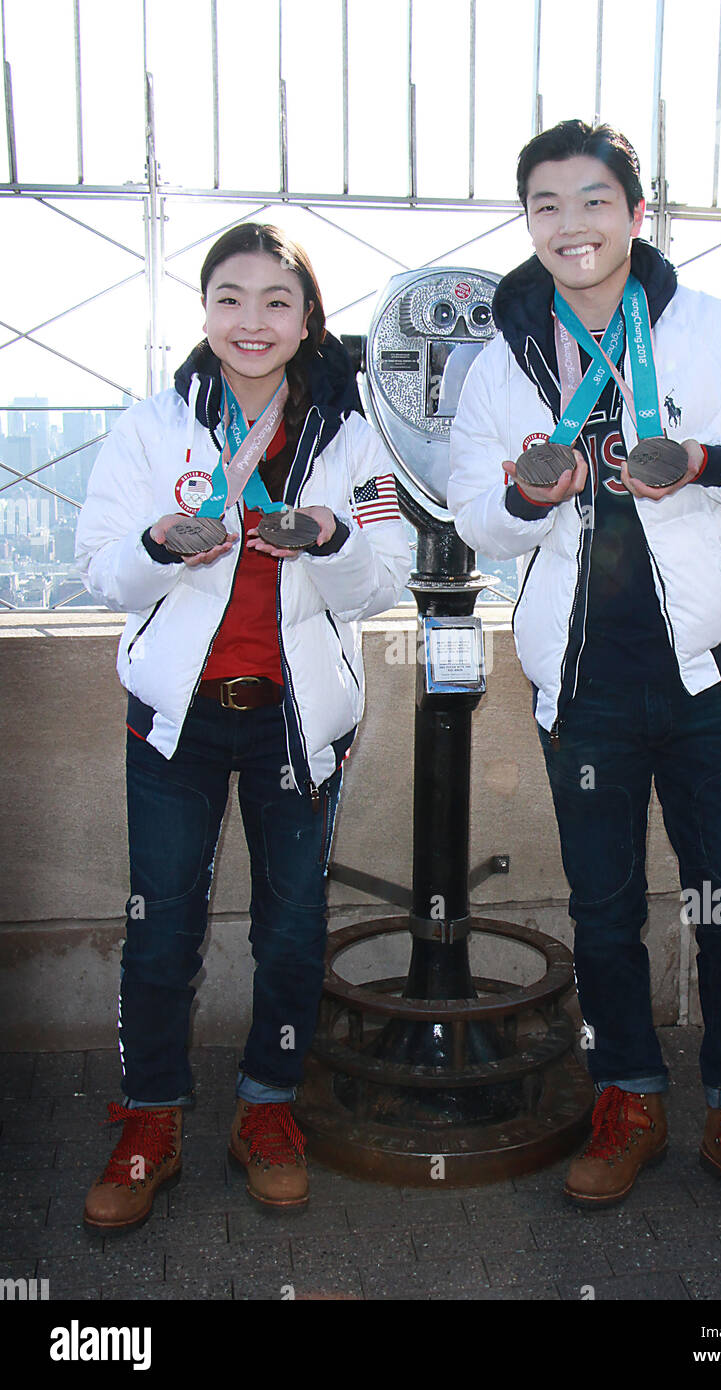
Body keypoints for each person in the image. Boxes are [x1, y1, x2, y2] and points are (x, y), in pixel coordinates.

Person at [447, 120, 721, 1227]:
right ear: (528, 222)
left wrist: (704, 464)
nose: (570, 225)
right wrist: (527, 495)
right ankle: (625, 1095)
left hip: (707, 680)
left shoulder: (713, 331)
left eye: (591, 201)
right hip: (584, 688)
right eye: (545, 206)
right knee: (604, 913)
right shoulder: (497, 360)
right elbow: (478, 518)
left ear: (634, 212)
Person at [75, 223, 410, 1230]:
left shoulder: (351, 438)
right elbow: (100, 571)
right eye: (230, 298)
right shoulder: (152, 426)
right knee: (160, 927)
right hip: (175, 725)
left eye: (275, 301)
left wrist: (327, 536)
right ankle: (151, 1117)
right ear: (205, 311)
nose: (251, 320)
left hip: (293, 725)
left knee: (292, 930)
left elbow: (382, 581)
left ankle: (267, 1108)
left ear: (308, 319)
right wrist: (158, 543)